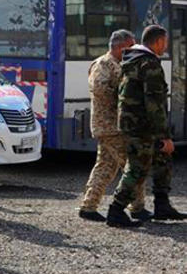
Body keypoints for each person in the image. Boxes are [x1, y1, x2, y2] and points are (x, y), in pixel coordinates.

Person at [107, 25, 187, 227]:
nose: (166, 46)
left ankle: (162, 205)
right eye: (165, 42)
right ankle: (116, 209)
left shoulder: (131, 60)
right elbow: (154, 104)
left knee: (162, 160)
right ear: (158, 41)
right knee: (137, 167)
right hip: (142, 126)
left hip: (134, 123)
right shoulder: (149, 64)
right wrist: (164, 136)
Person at [78, 30, 150, 221]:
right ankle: (137, 207)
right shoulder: (103, 64)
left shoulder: (120, 64)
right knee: (133, 165)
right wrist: (125, 97)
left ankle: (88, 206)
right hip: (110, 126)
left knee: (105, 167)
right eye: (131, 46)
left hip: (116, 126)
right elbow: (100, 89)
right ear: (121, 47)